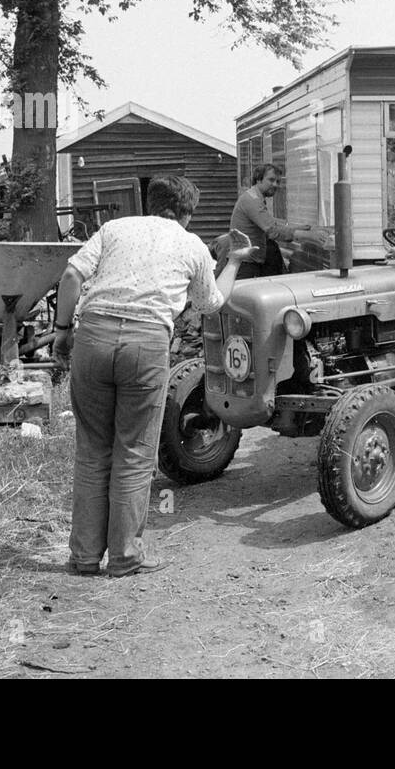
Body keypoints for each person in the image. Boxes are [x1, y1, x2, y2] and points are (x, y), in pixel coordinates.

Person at [52, 174, 252, 577]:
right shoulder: (191, 244)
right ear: (187, 213)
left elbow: (72, 276)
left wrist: (61, 331)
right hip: (145, 345)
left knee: (93, 450)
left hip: (93, 337)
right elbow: (212, 303)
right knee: (134, 451)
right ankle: (125, 556)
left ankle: (85, 557)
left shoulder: (113, 229)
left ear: (149, 202)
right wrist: (233, 261)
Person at [229, 164, 314, 278]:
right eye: (271, 180)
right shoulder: (252, 200)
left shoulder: (255, 197)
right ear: (258, 179)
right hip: (245, 263)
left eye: (278, 181)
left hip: (250, 260)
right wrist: (309, 236)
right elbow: (272, 230)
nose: (275, 185)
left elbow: (271, 223)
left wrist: (296, 228)